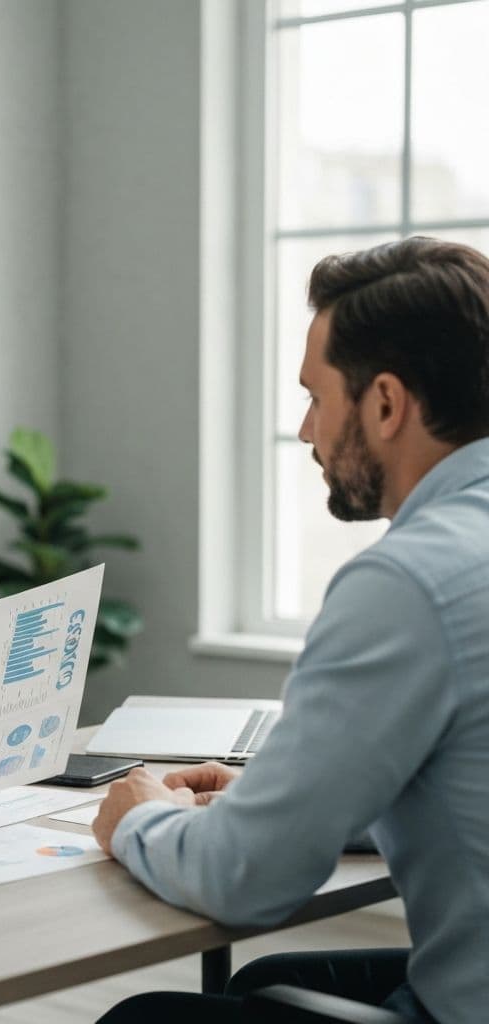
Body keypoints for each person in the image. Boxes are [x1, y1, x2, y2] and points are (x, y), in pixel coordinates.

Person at [93, 237, 489, 1024]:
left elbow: (247, 878)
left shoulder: (409, 582)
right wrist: (301, 802)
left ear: (384, 403)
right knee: (258, 985)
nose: (307, 430)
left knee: (144, 1020)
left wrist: (137, 814)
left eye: (316, 396)